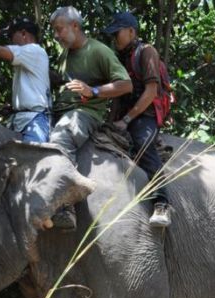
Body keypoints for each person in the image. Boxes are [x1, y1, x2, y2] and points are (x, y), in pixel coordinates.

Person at [48, 6, 133, 229]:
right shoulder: (64, 53)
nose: (56, 35)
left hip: (85, 114)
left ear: (75, 26)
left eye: (59, 29)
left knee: (61, 137)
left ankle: (65, 205)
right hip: (59, 110)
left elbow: (126, 84)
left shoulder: (98, 51)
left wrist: (93, 91)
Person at [104, 11, 172, 227]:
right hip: (124, 114)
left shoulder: (147, 52)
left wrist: (127, 120)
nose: (114, 39)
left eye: (118, 33)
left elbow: (151, 92)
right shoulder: (120, 58)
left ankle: (162, 202)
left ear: (131, 31)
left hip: (145, 115)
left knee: (143, 145)